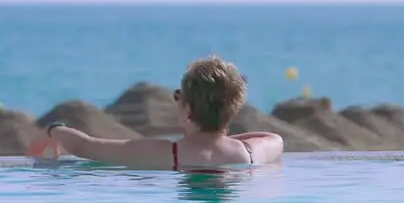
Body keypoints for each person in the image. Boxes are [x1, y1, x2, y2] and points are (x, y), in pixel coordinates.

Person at [28, 55, 284, 171]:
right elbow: (273, 138)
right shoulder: (251, 153)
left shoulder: (165, 153)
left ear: (186, 108)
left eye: (178, 96)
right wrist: (225, 139)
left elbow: (88, 147)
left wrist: (54, 130)